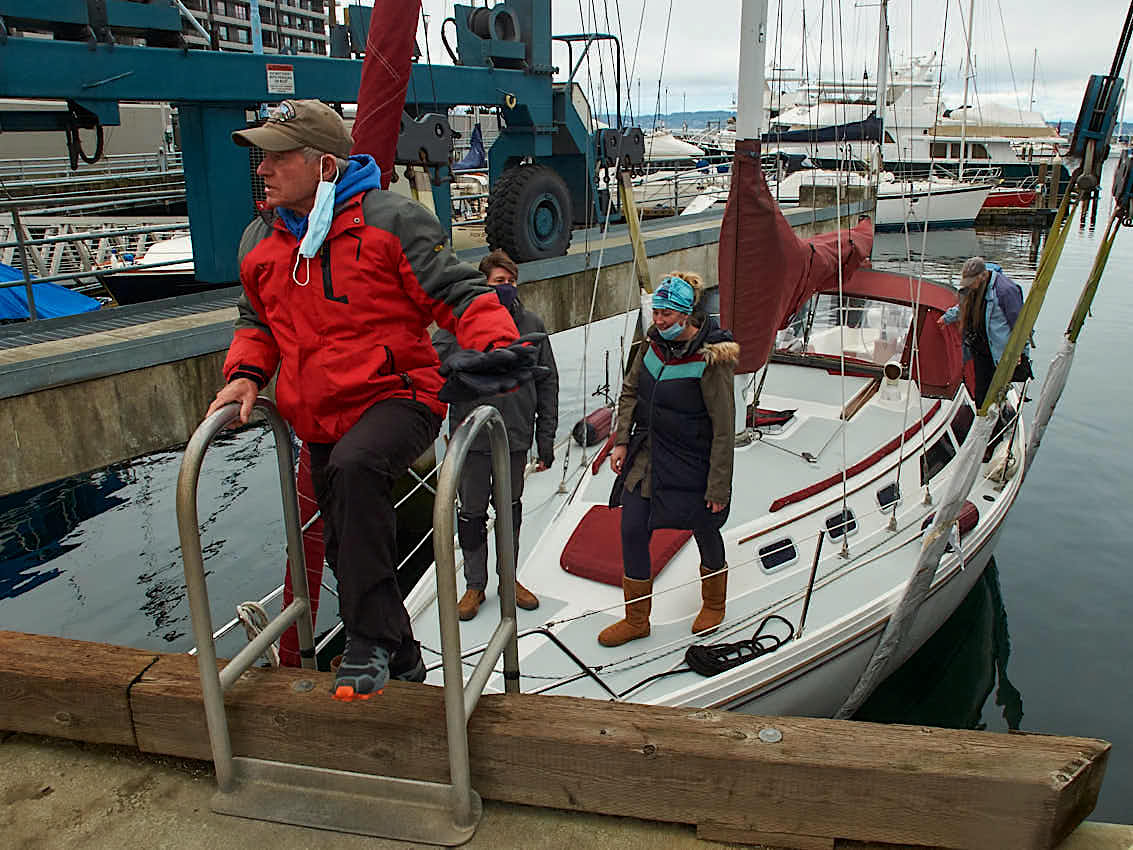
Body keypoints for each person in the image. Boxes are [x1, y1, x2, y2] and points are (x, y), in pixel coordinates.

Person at [206, 99, 538, 701]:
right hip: (319, 417)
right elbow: (255, 319)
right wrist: (247, 375)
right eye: (264, 157)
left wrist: (494, 345)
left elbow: (457, 293)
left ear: (324, 165)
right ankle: (404, 654)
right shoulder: (261, 240)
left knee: (359, 470)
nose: (264, 169)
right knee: (341, 542)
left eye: (279, 157)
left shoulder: (392, 221)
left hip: (398, 395)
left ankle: (369, 641)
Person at [600, 273, 739, 648]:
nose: (658, 320)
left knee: (704, 527)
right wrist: (621, 442)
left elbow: (724, 427)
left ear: (685, 314)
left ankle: (714, 602)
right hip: (649, 455)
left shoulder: (712, 359)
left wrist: (718, 487)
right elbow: (630, 391)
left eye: (666, 313)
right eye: (656, 312)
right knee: (632, 529)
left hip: (693, 460)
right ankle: (636, 619)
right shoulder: (652, 346)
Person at [432, 250, 559, 621]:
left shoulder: (533, 326)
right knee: (470, 516)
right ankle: (475, 585)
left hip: (516, 438)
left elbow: (547, 383)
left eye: (509, 281)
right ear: (482, 286)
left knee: (510, 513)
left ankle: (509, 580)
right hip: (470, 441)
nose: (505, 288)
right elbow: (431, 372)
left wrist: (546, 438)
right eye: (497, 283)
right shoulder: (457, 327)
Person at [939, 256, 1031, 410]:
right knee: (981, 393)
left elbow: (1021, 324)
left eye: (972, 282)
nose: (970, 286)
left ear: (983, 275)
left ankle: (996, 424)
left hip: (998, 353)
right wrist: (947, 317)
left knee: (995, 393)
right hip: (979, 348)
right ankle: (983, 416)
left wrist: (1020, 353)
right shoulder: (974, 288)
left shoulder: (1006, 290)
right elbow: (963, 306)